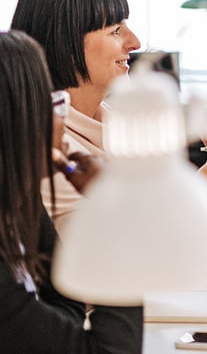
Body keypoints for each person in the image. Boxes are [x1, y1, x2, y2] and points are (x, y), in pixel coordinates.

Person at [11, 0, 207, 235]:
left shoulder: (109, 122)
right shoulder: (44, 146)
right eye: (115, 31)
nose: (134, 43)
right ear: (65, 42)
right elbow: (113, 247)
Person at [0, 30, 143, 353]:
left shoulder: (16, 200)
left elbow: (66, 307)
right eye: (53, 102)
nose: (60, 116)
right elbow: (113, 349)